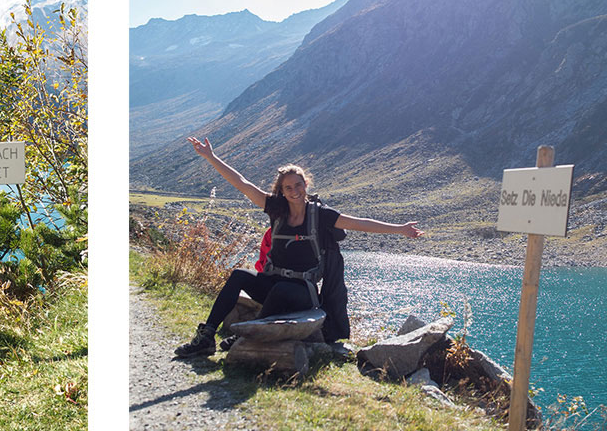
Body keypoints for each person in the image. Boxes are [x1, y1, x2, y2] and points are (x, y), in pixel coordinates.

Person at [175, 136, 424, 357]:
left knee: (282, 289)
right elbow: (241, 182)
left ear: (306, 185)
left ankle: (244, 337)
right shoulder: (276, 210)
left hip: (303, 292)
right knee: (239, 275)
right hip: (273, 283)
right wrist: (210, 156)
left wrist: (400, 229)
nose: (294, 191)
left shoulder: (320, 215)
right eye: (288, 187)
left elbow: (359, 223)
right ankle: (206, 336)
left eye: (298, 185)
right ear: (281, 191)